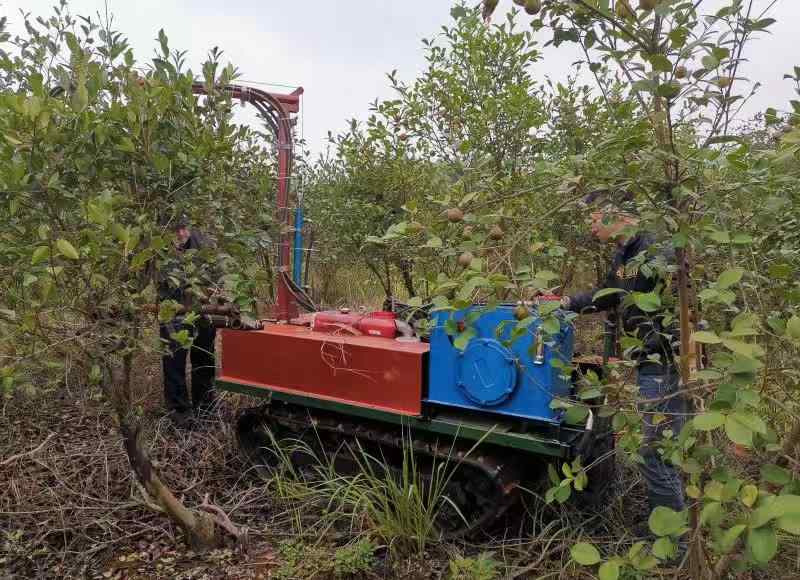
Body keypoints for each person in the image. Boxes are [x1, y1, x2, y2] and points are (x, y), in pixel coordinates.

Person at [560, 191, 687, 516]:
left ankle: (673, 543)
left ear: (613, 213)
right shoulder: (622, 257)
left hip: (668, 362)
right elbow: (607, 296)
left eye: (592, 219)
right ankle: (672, 525)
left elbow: (687, 298)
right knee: (663, 450)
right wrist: (565, 304)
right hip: (649, 362)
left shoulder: (655, 249)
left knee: (655, 452)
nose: (590, 228)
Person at [158, 218, 220, 427]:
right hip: (171, 310)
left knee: (204, 356)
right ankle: (180, 414)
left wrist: (210, 293)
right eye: (175, 229)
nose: (181, 234)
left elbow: (217, 273)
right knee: (173, 361)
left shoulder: (204, 242)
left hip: (203, 310)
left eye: (184, 228)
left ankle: (206, 409)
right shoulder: (157, 247)